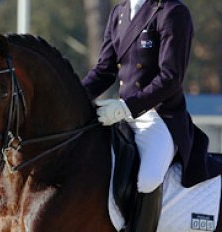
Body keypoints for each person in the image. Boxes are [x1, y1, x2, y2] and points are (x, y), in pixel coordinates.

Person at [82, 0, 222, 231]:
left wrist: (126, 107)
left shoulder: (172, 12)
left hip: (159, 116)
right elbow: (103, 71)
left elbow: (170, 77)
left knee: (148, 178)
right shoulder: (119, 12)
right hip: (120, 115)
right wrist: (74, 96)